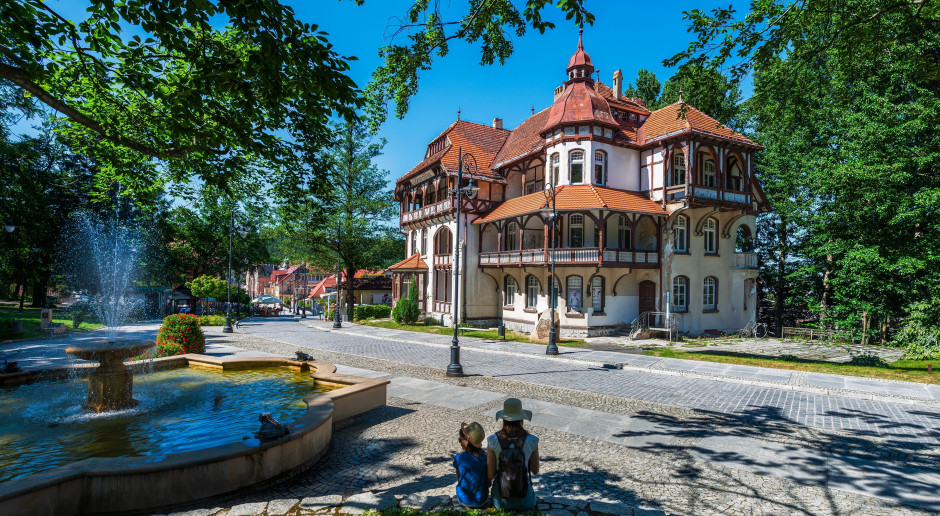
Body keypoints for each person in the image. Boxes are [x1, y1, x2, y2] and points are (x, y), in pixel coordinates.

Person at [487, 398, 539, 510]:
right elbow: (535, 470)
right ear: (521, 419)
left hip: (499, 501)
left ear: (504, 419)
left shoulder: (492, 440)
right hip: (525, 501)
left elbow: (490, 475)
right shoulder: (532, 441)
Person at [453, 422, 489, 508]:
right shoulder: (485, 456)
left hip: (464, 500)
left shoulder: (459, 458)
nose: (459, 441)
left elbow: (459, 479)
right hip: (482, 500)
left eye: (460, 439)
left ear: (466, 441)